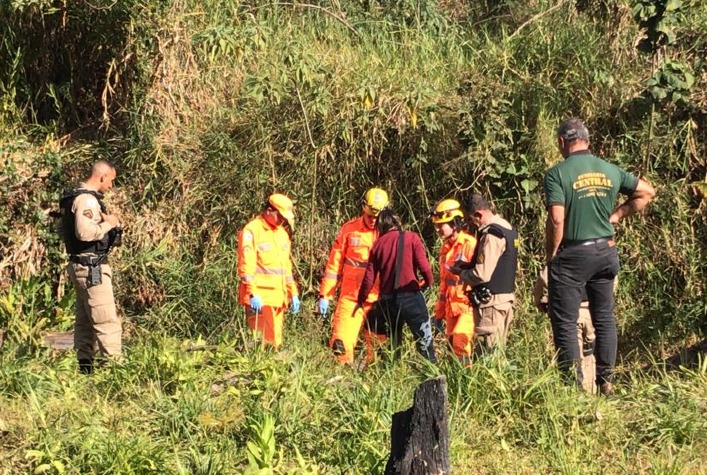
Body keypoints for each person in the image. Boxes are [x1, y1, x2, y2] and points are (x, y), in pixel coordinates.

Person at [544, 118, 655, 395]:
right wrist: (616, 215)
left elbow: (557, 219)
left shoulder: (557, 174)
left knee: (566, 322)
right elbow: (646, 192)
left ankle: (572, 389)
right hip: (606, 252)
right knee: (604, 317)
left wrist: (552, 255)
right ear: (587, 141)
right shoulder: (609, 169)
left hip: (573, 255)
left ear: (561, 142)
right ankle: (606, 382)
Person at [59, 160, 122, 374]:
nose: (111, 186)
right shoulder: (87, 199)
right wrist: (110, 224)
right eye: (111, 180)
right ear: (102, 176)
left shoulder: (75, 197)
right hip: (91, 267)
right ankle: (115, 372)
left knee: (85, 321)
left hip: (82, 265)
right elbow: (84, 233)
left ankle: (85, 371)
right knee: (106, 320)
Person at [317, 188, 389, 364]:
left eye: (377, 217)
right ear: (364, 207)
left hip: (378, 300)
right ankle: (341, 381)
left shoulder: (389, 234)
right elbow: (334, 265)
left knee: (379, 353)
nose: (373, 220)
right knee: (340, 345)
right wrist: (325, 295)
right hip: (351, 298)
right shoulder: (349, 230)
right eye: (370, 215)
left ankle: (374, 387)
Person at [356, 207, 437, 363]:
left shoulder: (378, 245)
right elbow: (425, 268)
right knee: (424, 341)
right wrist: (428, 282)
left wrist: (360, 300)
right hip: (411, 297)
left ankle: (393, 375)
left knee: (394, 344)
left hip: (388, 302)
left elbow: (369, 278)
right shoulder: (412, 238)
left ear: (381, 225)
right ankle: (431, 375)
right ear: (397, 222)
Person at [450, 194, 518, 352]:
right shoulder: (507, 228)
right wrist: (467, 266)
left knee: (487, 356)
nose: (469, 224)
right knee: (498, 352)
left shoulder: (492, 234)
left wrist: (461, 273)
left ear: (478, 215)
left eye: (469, 219)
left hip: (490, 305)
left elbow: (482, 274)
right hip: (503, 301)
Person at [237, 193, 300, 349]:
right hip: (259, 299)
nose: (282, 221)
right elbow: (247, 265)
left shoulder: (282, 234)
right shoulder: (252, 230)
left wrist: (293, 293)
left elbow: (286, 268)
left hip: (278, 299)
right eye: (280, 216)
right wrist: (252, 293)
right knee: (262, 346)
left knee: (274, 345)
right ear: (269, 210)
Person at [429, 199, 477, 365]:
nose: (438, 229)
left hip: (467, 306)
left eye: (442, 225)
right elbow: (444, 283)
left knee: (460, 343)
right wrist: (438, 313)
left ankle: (466, 382)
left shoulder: (470, 245)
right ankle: (455, 385)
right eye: (436, 225)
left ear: (455, 223)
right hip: (451, 308)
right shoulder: (445, 248)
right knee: (451, 349)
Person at [534, 267, 596, 393]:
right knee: (589, 352)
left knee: (573, 353)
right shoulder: (599, 250)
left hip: (569, 313)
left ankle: (577, 393)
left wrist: (540, 300)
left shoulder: (564, 254)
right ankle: (592, 391)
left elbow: (545, 279)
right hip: (591, 312)